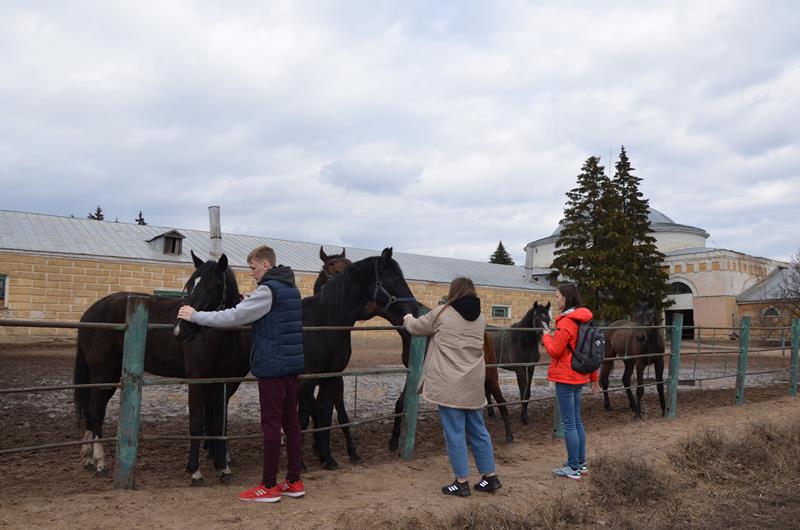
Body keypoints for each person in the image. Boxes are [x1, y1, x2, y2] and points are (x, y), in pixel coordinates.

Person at [177, 245, 304, 503]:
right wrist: (250, 302)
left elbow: (233, 317)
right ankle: (294, 481)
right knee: (291, 424)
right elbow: (273, 314)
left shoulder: (267, 291)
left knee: (271, 424)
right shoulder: (291, 289)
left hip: (272, 366)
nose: (251, 272)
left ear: (266, 265)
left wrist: (195, 316)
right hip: (291, 366)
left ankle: (268, 486)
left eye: (253, 267)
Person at [402, 277, 501, 497]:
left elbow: (416, 328)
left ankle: (461, 482)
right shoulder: (481, 319)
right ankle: (490, 477)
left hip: (448, 386)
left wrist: (408, 317)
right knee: (479, 430)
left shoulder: (441, 313)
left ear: (453, 292)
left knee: (454, 433)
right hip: (473, 385)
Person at [541, 283, 600, 480]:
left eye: (558, 297)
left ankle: (573, 467)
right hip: (580, 376)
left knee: (569, 423)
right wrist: (593, 378)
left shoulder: (566, 322)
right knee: (576, 421)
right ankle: (580, 463)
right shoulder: (585, 320)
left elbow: (555, 351)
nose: (556, 300)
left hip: (566, 376)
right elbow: (589, 350)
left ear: (566, 298)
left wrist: (546, 337)